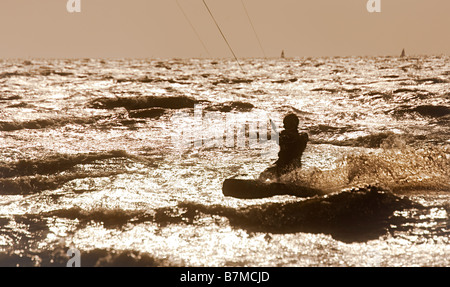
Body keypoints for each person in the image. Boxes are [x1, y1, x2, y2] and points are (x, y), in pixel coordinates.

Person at [259, 113, 308, 181]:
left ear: (293, 125)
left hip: (292, 165)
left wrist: (287, 137)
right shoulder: (283, 136)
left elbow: (299, 140)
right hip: (280, 163)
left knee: (283, 178)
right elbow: (280, 141)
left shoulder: (302, 137)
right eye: (284, 124)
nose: (284, 126)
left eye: (286, 124)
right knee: (264, 174)